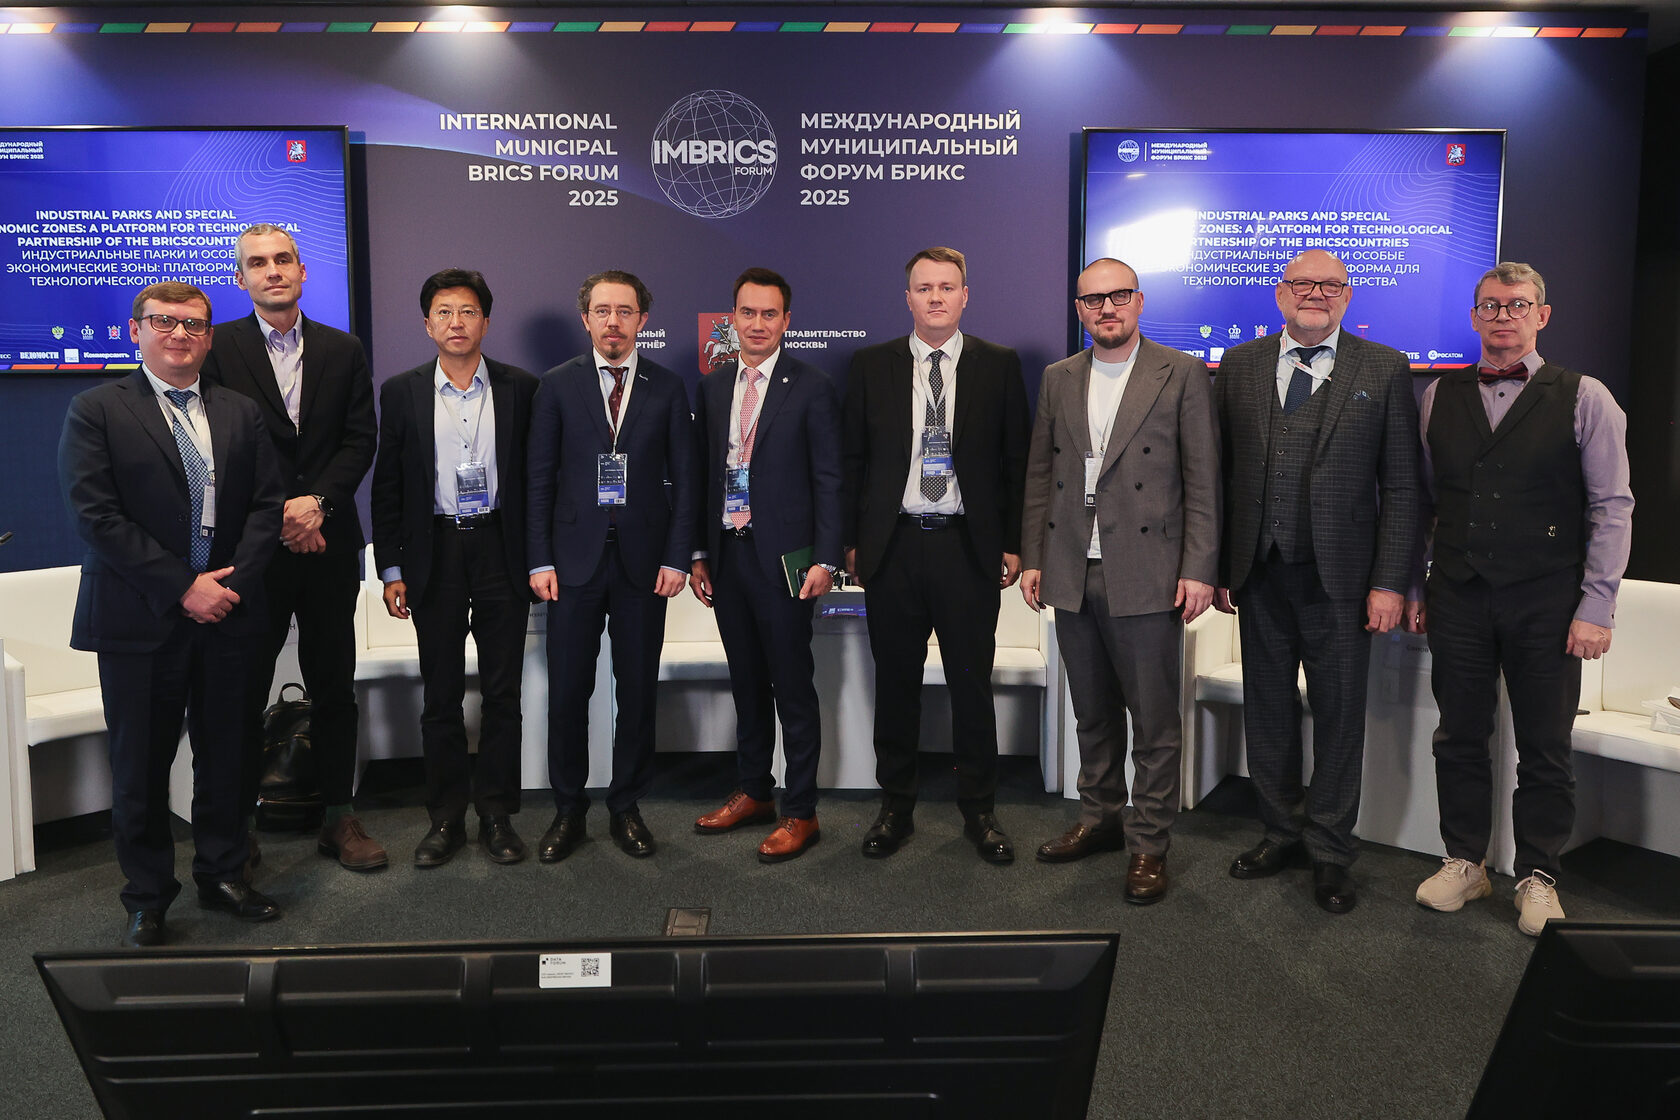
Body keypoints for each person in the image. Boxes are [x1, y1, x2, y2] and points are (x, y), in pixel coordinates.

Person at [59, 282, 286, 947]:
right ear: (136, 332)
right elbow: (97, 515)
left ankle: (224, 873)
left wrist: (228, 587)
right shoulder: (97, 410)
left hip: (229, 616)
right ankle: (148, 896)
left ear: (210, 337)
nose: (180, 334)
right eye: (164, 322)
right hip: (139, 618)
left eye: (194, 324)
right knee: (140, 766)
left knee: (229, 756)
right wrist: (184, 587)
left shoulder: (240, 412)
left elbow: (266, 508)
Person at [1409, 262, 1633, 936]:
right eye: (1490, 305)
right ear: (1474, 316)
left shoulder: (1586, 396)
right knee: (1458, 736)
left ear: (1542, 314)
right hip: (1458, 594)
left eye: (1517, 304)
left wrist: (1596, 605)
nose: (1502, 316)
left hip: (1548, 599)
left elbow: (1612, 507)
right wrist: (1420, 584)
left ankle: (1539, 874)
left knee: (1544, 746)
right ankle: (1465, 862)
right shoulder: (1437, 396)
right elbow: (1428, 503)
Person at [1213, 249, 1420, 914]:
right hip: (1259, 574)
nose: (1316, 294)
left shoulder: (1384, 367)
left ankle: (1330, 850)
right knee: (1268, 711)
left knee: (1339, 717)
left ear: (1348, 297)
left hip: (1345, 583)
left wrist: (1390, 582)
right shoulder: (1239, 365)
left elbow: (1403, 487)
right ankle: (1279, 832)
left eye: (1331, 285)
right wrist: (1220, 568)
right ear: (1280, 295)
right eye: (1303, 283)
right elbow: (1219, 475)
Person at [1019, 258, 1220, 903]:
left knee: (1154, 722)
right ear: (1079, 308)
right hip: (1072, 567)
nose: (1107, 308)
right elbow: (1039, 475)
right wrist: (1034, 557)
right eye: (1093, 299)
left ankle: (1149, 843)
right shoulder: (1058, 377)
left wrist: (1198, 569)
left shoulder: (1180, 371)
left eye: (1119, 296)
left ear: (1138, 301)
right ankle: (1100, 817)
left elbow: (1203, 479)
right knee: (1092, 711)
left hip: (1149, 571)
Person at [201, 223, 384, 872]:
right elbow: (215, 443)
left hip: (329, 542)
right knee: (244, 688)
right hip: (254, 548)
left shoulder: (343, 348)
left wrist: (318, 504)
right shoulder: (218, 347)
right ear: (241, 278)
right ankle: (239, 825)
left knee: (335, 684)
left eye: (283, 259)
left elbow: (360, 439)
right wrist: (280, 512)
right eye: (258, 263)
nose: (272, 270)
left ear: (303, 271)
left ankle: (339, 818)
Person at [841, 247, 1030, 863]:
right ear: (908, 299)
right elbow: (851, 461)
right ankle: (895, 809)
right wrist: (852, 543)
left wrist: (1014, 544)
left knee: (971, 686)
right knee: (896, 686)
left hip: (965, 549)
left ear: (965, 296)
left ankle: (981, 812)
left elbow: (1017, 461)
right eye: (924, 288)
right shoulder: (870, 365)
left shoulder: (999, 365)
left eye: (947, 287)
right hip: (893, 548)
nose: (936, 297)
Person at [371, 269, 539, 868]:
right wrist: (391, 569)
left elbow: (537, 482)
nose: (456, 322)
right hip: (433, 553)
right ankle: (444, 819)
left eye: (468, 311)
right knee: (440, 695)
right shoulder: (402, 391)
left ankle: (497, 814)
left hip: (501, 550)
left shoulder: (522, 388)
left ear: (485, 322)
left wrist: (539, 557)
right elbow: (387, 486)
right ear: (427, 324)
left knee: (502, 693)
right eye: (444, 312)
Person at [526, 270, 697, 861]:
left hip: (644, 566)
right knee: (567, 693)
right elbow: (538, 479)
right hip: (570, 565)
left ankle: (626, 806)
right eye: (602, 311)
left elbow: (687, 482)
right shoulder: (557, 385)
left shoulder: (667, 387)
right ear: (586, 319)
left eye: (625, 312)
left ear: (642, 320)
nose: (613, 322)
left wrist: (678, 556)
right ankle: (568, 809)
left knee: (638, 692)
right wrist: (539, 558)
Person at [689, 268, 842, 863]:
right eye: (747, 313)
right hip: (728, 556)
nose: (757, 324)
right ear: (732, 318)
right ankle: (754, 790)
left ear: (786, 320)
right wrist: (699, 553)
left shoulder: (812, 386)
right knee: (746, 682)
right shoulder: (712, 386)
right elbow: (703, 476)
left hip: (787, 562)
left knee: (792, 687)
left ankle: (800, 810)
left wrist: (827, 557)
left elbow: (830, 479)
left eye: (769, 314)